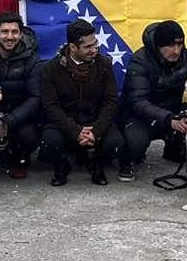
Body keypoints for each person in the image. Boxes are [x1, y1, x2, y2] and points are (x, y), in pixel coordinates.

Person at [39, 19, 124, 186]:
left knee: (116, 143)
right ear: (72, 47)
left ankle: (97, 165)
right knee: (49, 141)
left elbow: (111, 101)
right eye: (88, 47)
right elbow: (50, 106)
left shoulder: (104, 64)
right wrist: (75, 131)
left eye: (95, 44)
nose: (94, 50)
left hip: (95, 122)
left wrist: (96, 131)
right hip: (66, 123)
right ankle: (61, 167)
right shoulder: (51, 69)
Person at [121, 21, 187, 181]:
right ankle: (127, 157)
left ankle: (181, 150)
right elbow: (138, 102)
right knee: (135, 144)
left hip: (174, 115)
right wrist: (169, 120)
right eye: (170, 46)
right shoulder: (140, 61)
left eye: (179, 45)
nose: (176, 51)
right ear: (158, 46)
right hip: (142, 117)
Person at [0, 13, 45, 178]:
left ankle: (19, 159)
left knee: (29, 136)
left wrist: (8, 121)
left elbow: (35, 98)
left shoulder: (33, 61)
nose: (9, 37)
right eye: (4, 32)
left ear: (21, 34)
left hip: (18, 117)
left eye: (14, 32)